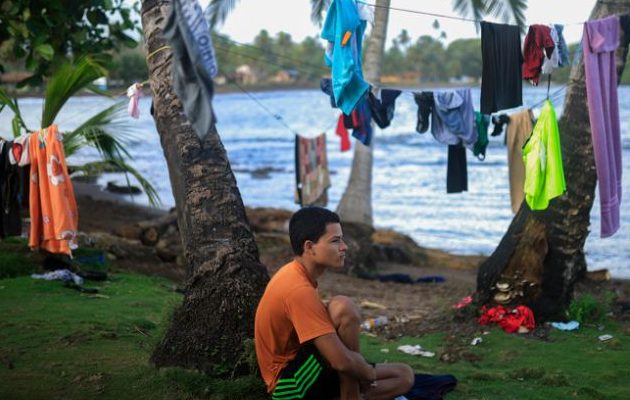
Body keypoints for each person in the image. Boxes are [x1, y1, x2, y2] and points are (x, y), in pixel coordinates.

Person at [254, 206, 414, 400]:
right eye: (335, 241)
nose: (344, 247)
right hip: (288, 385)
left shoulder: (298, 275)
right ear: (309, 247)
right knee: (343, 308)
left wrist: (359, 368)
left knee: (403, 376)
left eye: (342, 239)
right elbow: (340, 362)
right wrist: (366, 374)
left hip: (309, 365)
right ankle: (351, 394)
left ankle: (351, 392)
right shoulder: (297, 289)